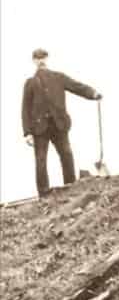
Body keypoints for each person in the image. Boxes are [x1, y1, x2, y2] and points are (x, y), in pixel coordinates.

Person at [21, 48, 101, 197]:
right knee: (41, 160)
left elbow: (77, 86)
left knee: (66, 154)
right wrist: (27, 133)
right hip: (39, 128)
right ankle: (44, 193)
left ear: (47, 58)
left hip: (59, 125)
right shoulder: (30, 83)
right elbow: (25, 109)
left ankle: (70, 186)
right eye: (37, 58)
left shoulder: (58, 77)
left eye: (43, 57)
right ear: (34, 61)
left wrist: (93, 93)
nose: (41, 60)